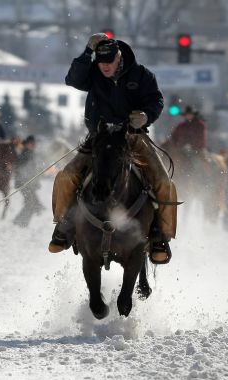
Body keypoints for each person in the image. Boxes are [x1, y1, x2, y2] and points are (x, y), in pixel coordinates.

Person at [52, 35, 176, 264]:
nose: (105, 67)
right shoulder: (93, 73)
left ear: (119, 57)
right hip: (98, 138)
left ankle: (160, 236)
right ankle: (64, 226)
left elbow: (156, 101)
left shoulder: (142, 75)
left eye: (109, 63)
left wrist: (146, 116)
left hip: (133, 138)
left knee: (163, 182)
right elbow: (72, 79)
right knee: (66, 176)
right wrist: (88, 50)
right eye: (101, 63)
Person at [13, 135, 44, 227]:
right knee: (30, 203)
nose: (33, 145)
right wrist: (25, 180)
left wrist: (36, 182)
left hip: (30, 184)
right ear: (27, 144)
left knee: (31, 203)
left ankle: (21, 222)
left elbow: (34, 170)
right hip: (23, 183)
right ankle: (20, 222)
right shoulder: (24, 154)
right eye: (31, 143)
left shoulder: (32, 154)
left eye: (34, 144)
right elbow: (20, 169)